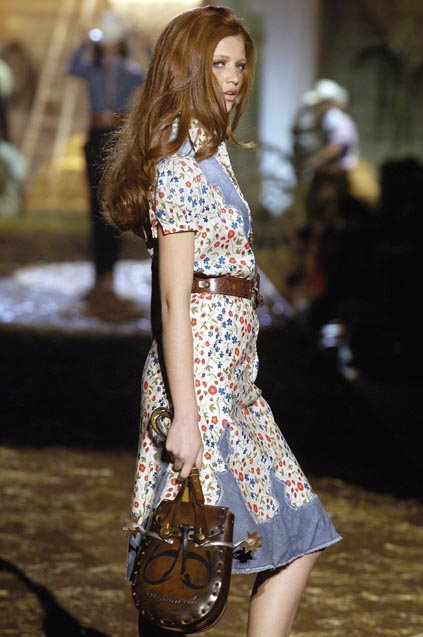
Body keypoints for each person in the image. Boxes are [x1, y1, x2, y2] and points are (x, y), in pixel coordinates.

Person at [102, 7, 341, 636]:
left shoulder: (210, 150)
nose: (234, 77)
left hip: (231, 381)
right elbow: (173, 297)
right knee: (180, 562)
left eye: (239, 64)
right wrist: (184, 413)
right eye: (218, 63)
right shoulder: (179, 156)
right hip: (200, 385)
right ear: (186, 68)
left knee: (293, 536)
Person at [68, 11, 145, 301]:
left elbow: (153, 77)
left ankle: (109, 272)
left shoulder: (129, 70)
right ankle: (99, 272)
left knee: (113, 204)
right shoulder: (92, 68)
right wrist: (85, 42)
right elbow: (71, 68)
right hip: (95, 135)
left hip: (116, 139)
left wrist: (146, 46)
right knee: (94, 205)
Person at [302, 78, 359, 224]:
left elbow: (337, 146)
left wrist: (316, 160)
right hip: (334, 170)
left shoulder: (334, 118)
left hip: (339, 171)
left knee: (327, 205)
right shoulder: (329, 119)